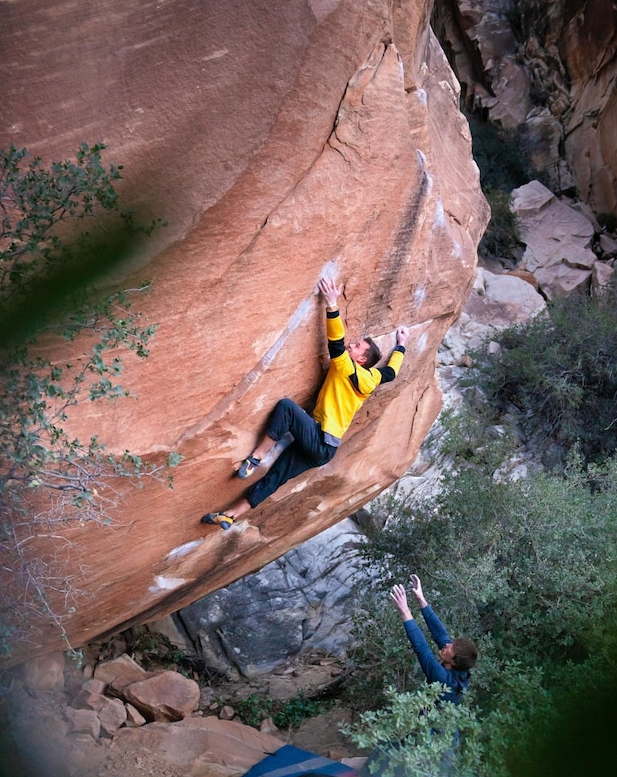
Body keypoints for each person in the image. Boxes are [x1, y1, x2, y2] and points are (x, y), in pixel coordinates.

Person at [201, 275, 409, 529]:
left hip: (320, 437)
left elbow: (335, 342)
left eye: (355, 346)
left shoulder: (346, 367)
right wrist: (401, 346)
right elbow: (391, 372)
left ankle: (256, 456)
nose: (351, 345)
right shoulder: (373, 377)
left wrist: (332, 304)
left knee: (287, 408)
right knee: (277, 477)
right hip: (325, 450)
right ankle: (230, 515)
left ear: (361, 360)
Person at [389, 574, 477, 705]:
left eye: (451, 648)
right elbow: (441, 635)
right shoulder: (460, 662)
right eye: (452, 644)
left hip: (433, 721)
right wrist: (421, 599)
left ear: (453, 662)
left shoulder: (443, 679)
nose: (447, 645)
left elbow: (422, 649)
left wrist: (404, 611)